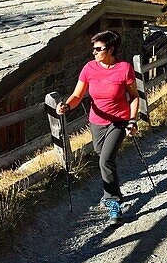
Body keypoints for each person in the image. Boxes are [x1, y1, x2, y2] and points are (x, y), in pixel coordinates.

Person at [57, 30, 139, 224]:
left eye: (98, 49)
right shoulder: (89, 68)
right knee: (101, 155)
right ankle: (112, 192)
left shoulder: (124, 68)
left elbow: (134, 96)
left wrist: (133, 120)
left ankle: (113, 203)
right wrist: (67, 105)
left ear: (110, 49)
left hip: (118, 120)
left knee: (105, 160)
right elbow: (78, 95)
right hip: (97, 121)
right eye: (93, 49)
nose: (93, 52)